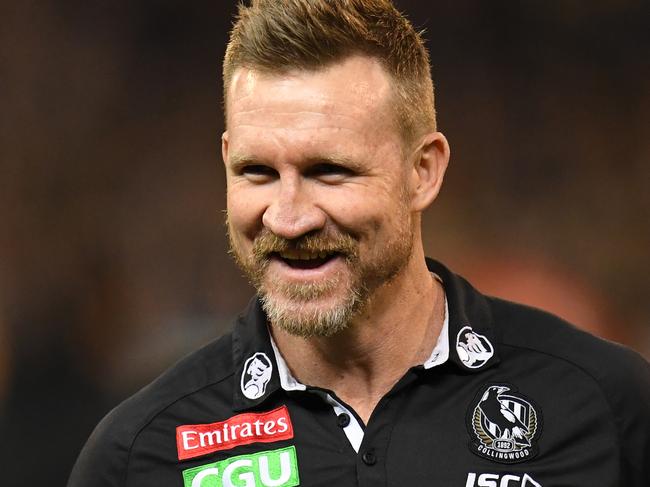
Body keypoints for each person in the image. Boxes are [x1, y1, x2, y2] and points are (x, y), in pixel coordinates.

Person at [68, 1, 650, 486]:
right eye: (257, 172)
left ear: (423, 171)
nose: (288, 217)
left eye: (329, 170)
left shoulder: (607, 405)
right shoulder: (138, 454)